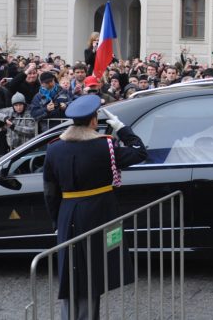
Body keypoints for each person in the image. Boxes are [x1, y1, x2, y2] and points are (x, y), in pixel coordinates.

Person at [43, 95, 147, 320]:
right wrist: (121, 127)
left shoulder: (54, 148)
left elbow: (50, 192)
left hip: (67, 213)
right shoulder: (104, 145)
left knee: (71, 271)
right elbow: (139, 151)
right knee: (94, 271)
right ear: (93, 121)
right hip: (99, 212)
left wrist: (56, 221)